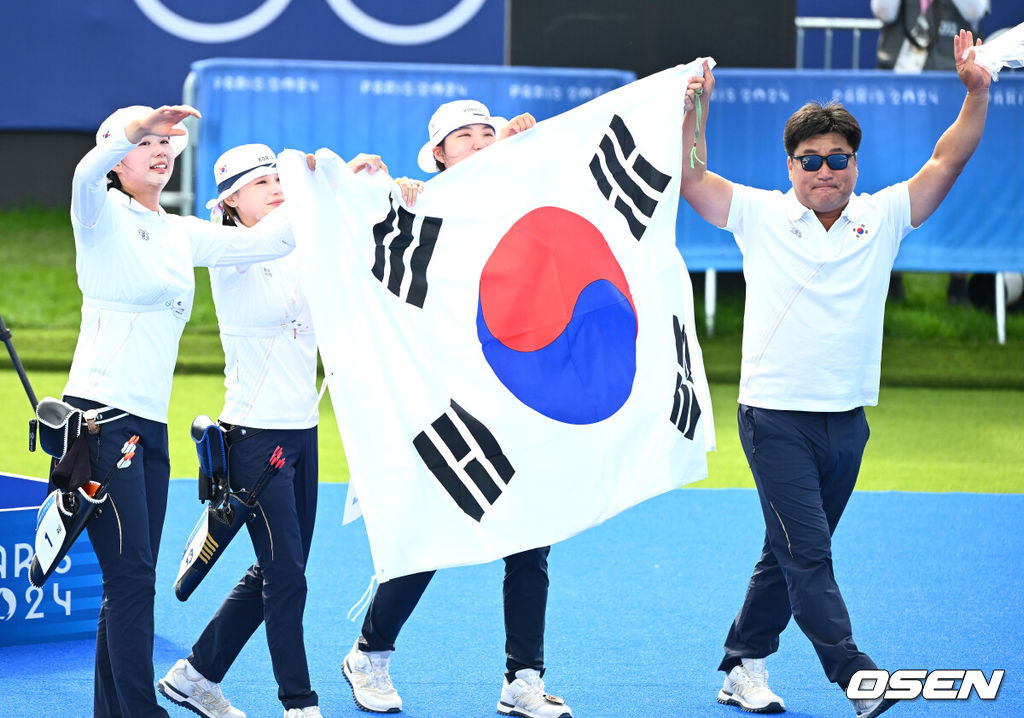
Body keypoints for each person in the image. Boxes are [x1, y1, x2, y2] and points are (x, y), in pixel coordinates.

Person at [678, 30, 989, 718]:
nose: (825, 170)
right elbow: (692, 176)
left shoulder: (881, 219)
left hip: (847, 421)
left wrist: (977, 93)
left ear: (854, 163)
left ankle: (741, 665)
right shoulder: (759, 214)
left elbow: (948, 159)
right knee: (808, 555)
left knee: (785, 553)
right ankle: (857, 676)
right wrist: (695, 109)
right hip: (774, 416)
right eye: (810, 159)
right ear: (791, 164)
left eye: (838, 159)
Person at [339, 100, 573, 718]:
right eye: (463, 137)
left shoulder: (521, 198)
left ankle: (523, 679)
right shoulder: (422, 206)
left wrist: (535, 143)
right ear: (439, 154)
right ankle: (370, 653)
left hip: (519, 394)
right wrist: (398, 201)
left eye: (486, 133)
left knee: (531, 541)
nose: (479, 142)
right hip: (445, 396)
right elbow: (372, 247)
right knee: (432, 534)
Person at [65, 105, 298, 718]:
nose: (162, 150)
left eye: (169, 142)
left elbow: (273, 237)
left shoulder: (178, 231)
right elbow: (88, 172)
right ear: (121, 153)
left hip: (147, 424)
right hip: (99, 417)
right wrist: (131, 129)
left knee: (128, 581)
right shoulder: (99, 211)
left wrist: (333, 183)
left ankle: (113, 713)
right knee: (134, 578)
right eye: (149, 143)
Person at [156, 144, 393, 718]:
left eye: (276, 179)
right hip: (255, 440)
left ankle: (195, 674)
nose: (276, 187)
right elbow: (289, 231)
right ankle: (300, 705)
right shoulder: (233, 248)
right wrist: (316, 183)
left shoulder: (297, 238)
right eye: (260, 182)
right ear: (230, 201)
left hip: (303, 435)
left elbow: (353, 246)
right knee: (287, 579)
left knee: (280, 568)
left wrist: (368, 185)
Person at [872, 0, 990, 304]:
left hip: (949, 89)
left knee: (954, 174)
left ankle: (958, 281)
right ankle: (892, 277)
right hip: (898, 92)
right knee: (893, 177)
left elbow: (976, 11)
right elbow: (883, 11)